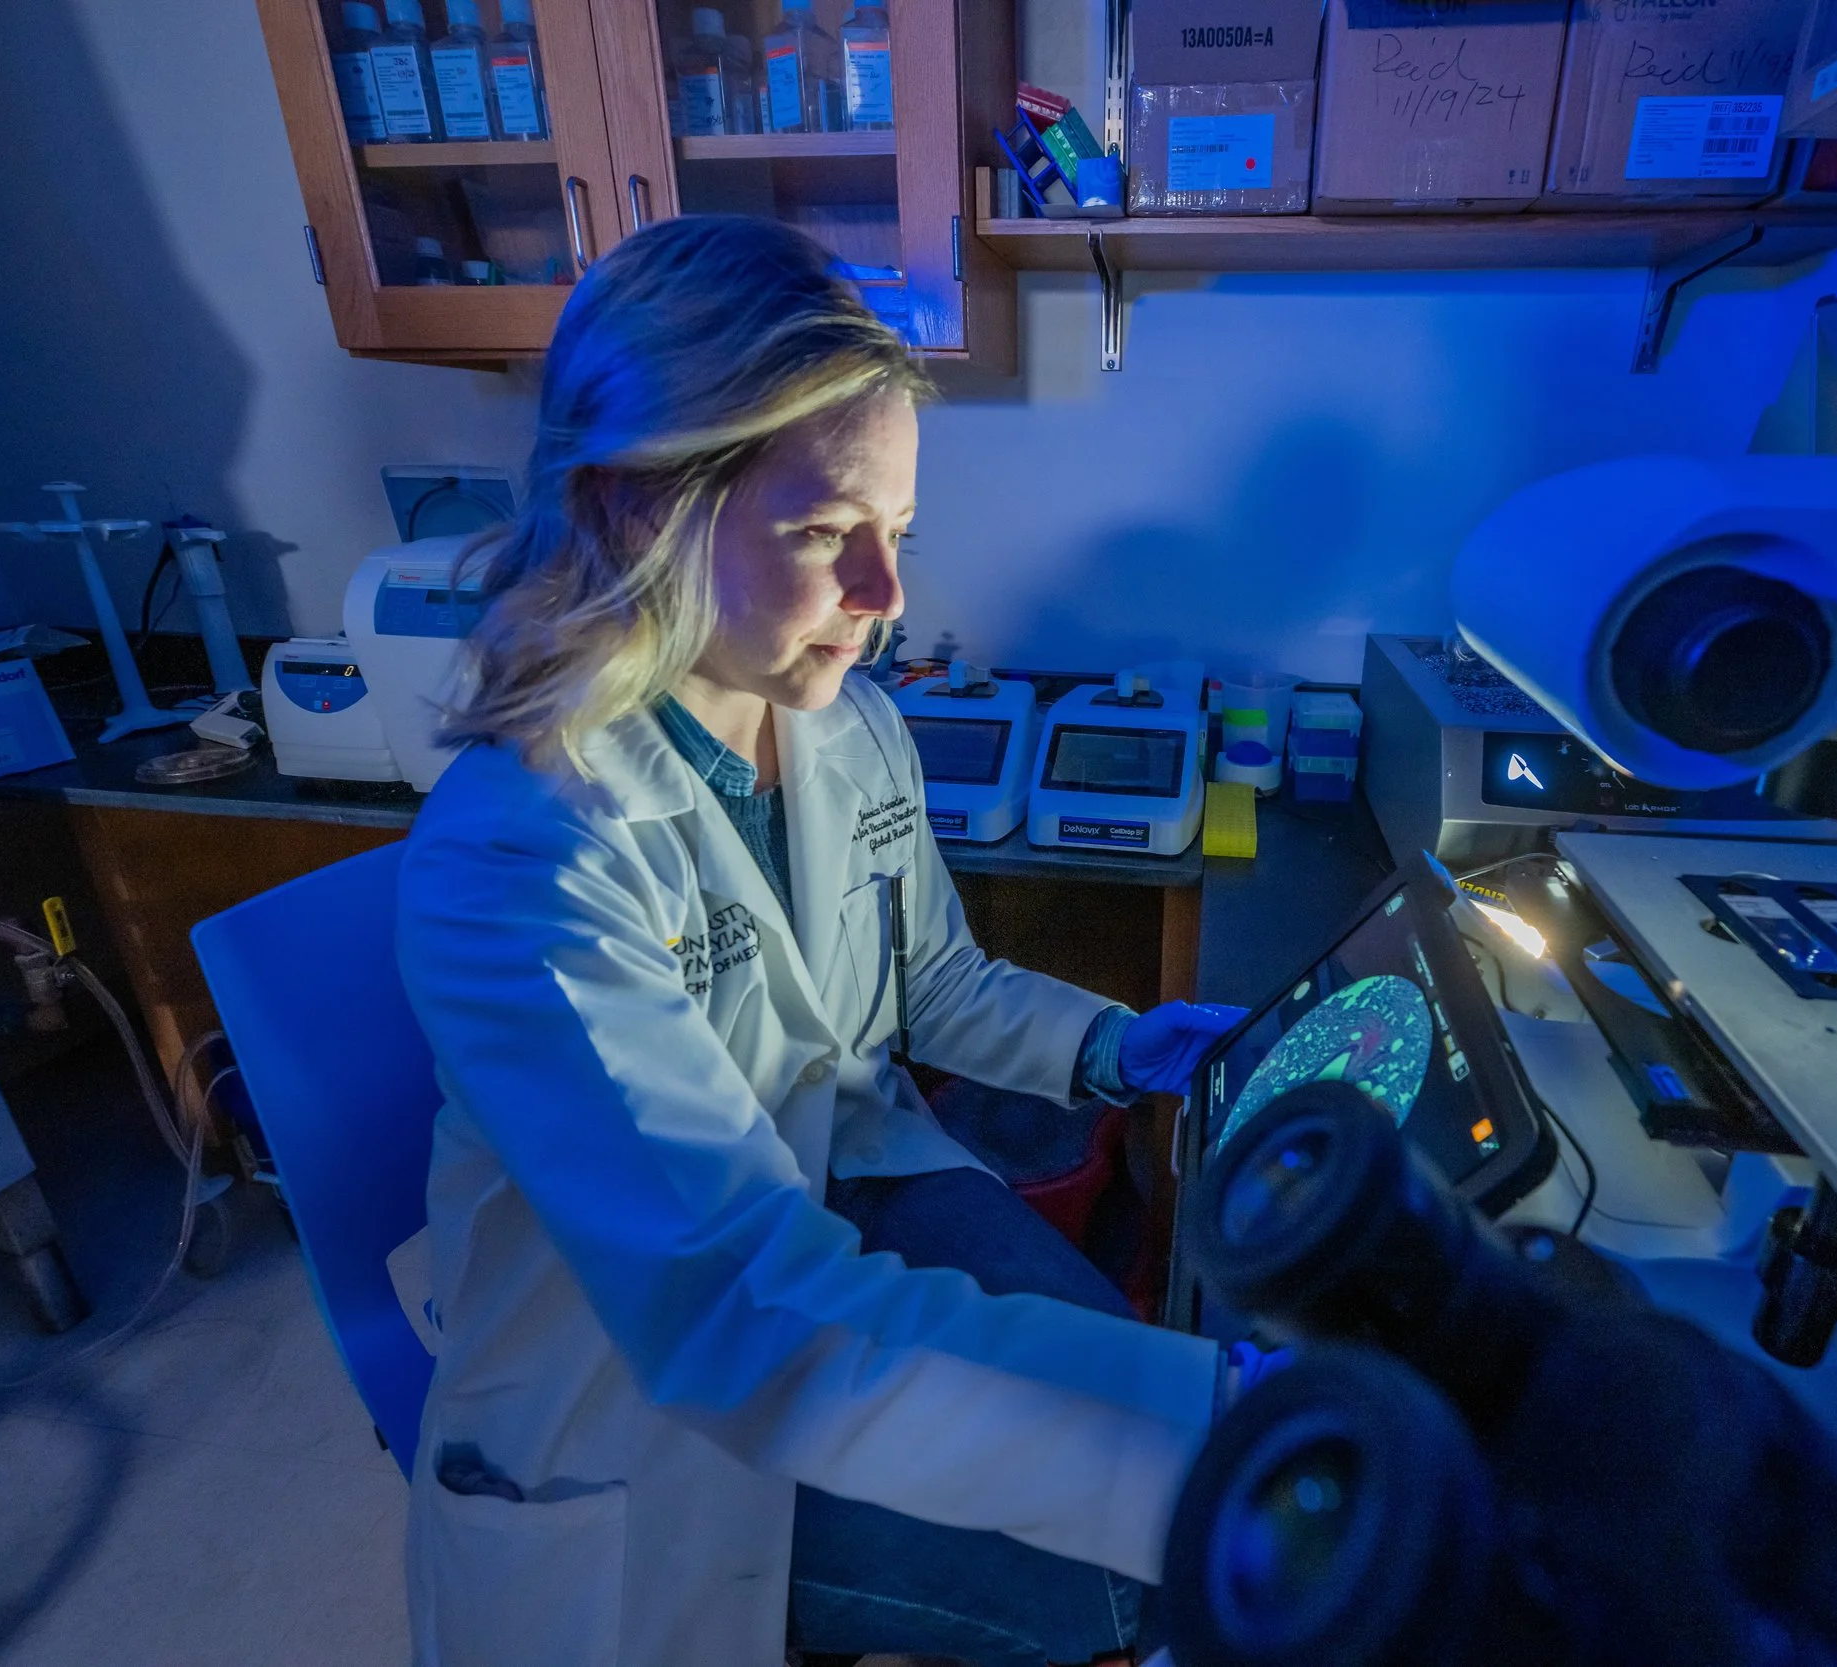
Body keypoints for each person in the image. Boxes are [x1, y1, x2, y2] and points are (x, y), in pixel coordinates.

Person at [393, 214, 1245, 1667]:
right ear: (634, 509)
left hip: (853, 1200)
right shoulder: (522, 855)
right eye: (822, 533)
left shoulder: (844, 721)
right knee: (1153, 1561)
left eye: (899, 534)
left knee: (1142, 1371)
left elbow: (941, 983)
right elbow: (738, 1305)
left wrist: (1120, 1043)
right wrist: (1239, 1433)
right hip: (660, 1368)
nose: (888, 596)